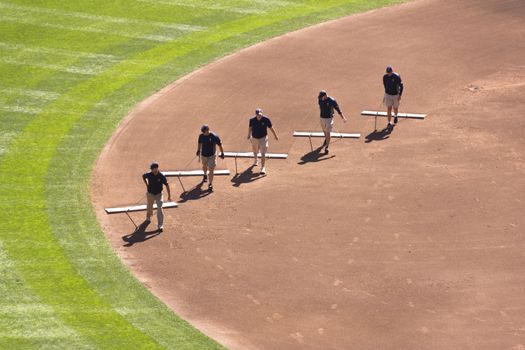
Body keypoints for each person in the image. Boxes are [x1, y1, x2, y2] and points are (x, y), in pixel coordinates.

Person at [247, 108, 279, 174]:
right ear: (256, 114)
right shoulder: (252, 120)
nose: (259, 116)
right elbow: (250, 128)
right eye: (258, 115)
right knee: (255, 150)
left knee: (263, 153)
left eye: (260, 114)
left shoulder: (266, 119)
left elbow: (271, 127)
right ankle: (256, 160)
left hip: (263, 138)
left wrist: (275, 135)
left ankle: (263, 168)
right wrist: (249, 135)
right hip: (254, 138)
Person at [142, 162, 171, 232]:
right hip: (150, 194)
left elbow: (167, 185)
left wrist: (169, 195)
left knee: (159, 208)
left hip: (159, 194)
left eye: (154, 168)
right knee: (149, 206)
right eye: (152, 169)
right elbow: (143, 176)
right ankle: (148, 217)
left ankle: (160, 225)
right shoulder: (148, 174)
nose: (153, 170)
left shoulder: (161, 176)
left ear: (157, 168)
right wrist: (146, 184)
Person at [196, 124, 225, 191]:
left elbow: (220, 145)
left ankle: (210, 184)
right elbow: (199, 143)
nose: (203, 133)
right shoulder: (201, 136)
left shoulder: (214, 136)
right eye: (202, 131)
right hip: (203, 155)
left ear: (208, 130)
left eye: (204, 131)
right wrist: (198, 150)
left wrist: (222, 153)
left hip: (212, 155)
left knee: (211, 169)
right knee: (204, 166)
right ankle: (205, 175)